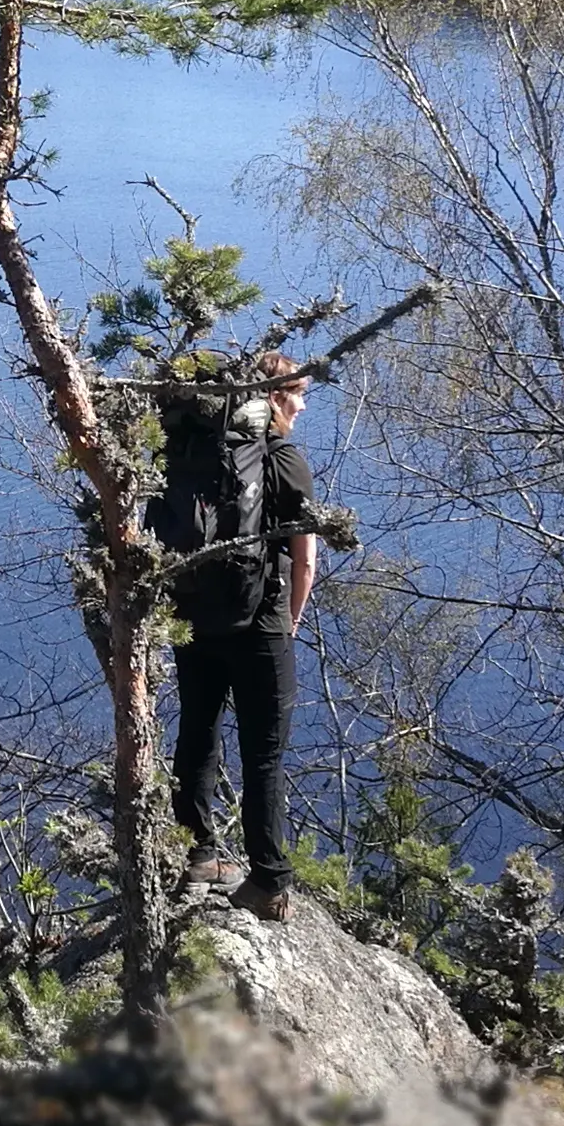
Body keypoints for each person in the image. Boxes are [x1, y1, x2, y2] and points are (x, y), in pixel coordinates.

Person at [166, 355, 319, 922]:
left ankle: (197, 854)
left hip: (195, 618)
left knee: (196, 735)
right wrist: (291, 620)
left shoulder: (196, 455)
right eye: (298, 394)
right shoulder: (281, 458)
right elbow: (304, 559)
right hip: (261, 626)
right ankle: (269, 880)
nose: (302, 405)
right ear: (274, 398)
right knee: (263, 756)